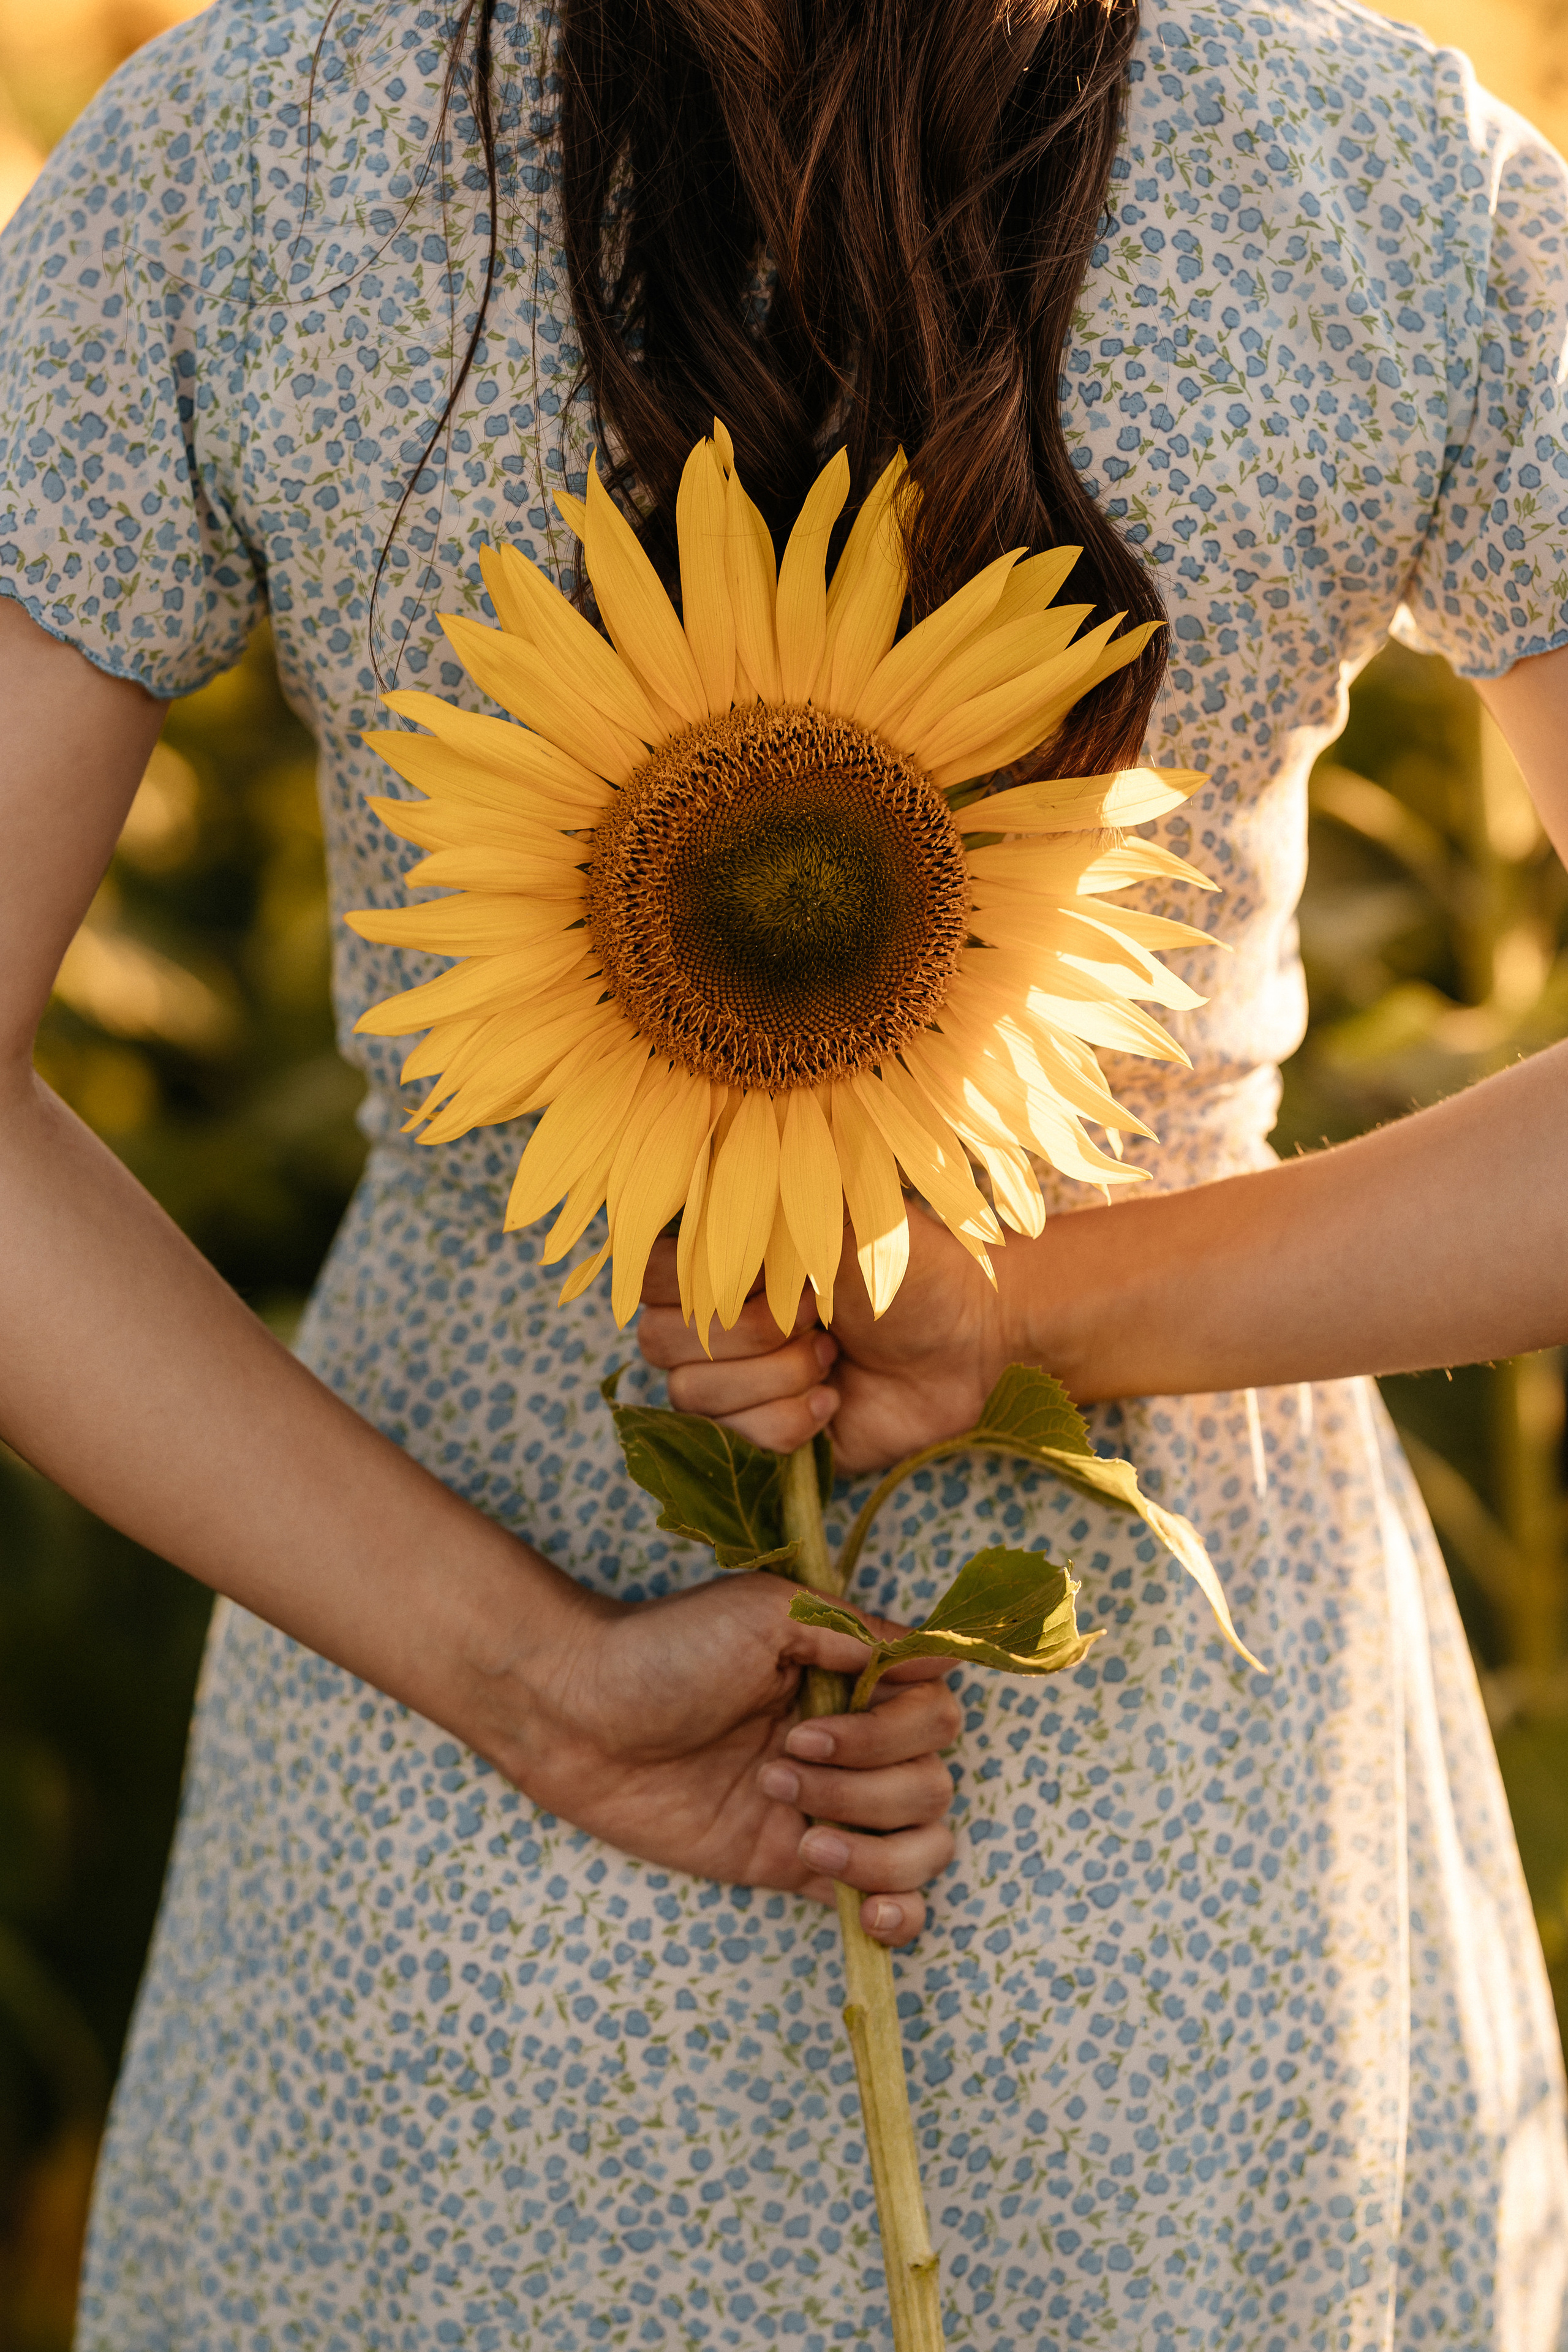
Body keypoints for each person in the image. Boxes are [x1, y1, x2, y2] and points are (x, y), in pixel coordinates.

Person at [0, 1, 1564, 2348]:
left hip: (448, 1841)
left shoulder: (257, 150)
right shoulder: (1375, 174)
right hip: (1191, 1852)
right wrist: (1046, 1296)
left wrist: (530, 1678)